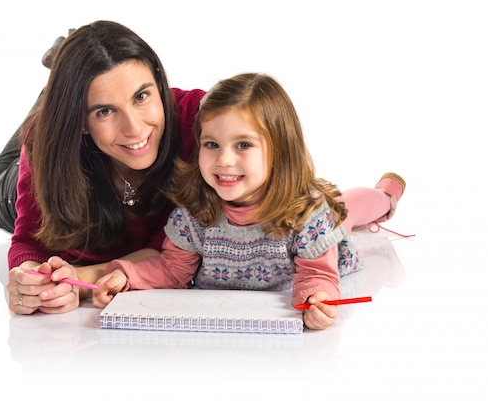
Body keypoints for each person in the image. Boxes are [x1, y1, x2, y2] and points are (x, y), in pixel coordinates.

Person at [92, 73, 406, 330]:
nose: (224, 160)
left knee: (343, 210)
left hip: (321, 225)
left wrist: (317, 299)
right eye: (212, 144)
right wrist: (127, 275)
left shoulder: (308, 215)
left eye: (243, 144)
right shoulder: (194, 212)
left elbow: (317, 275)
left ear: (279, 151)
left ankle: (386, 195)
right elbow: (173, 270)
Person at [0, 20, 206, 315]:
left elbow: (170, 251)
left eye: (141, 96)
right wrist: (33, 280)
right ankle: (53, 92)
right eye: (105, 111)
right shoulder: (48, 142)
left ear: (159, 79)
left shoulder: (200, 121)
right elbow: (29, 241)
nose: (135, 129)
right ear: (81, 120)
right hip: (39, 169)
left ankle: (66, 71)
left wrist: (80, 280)